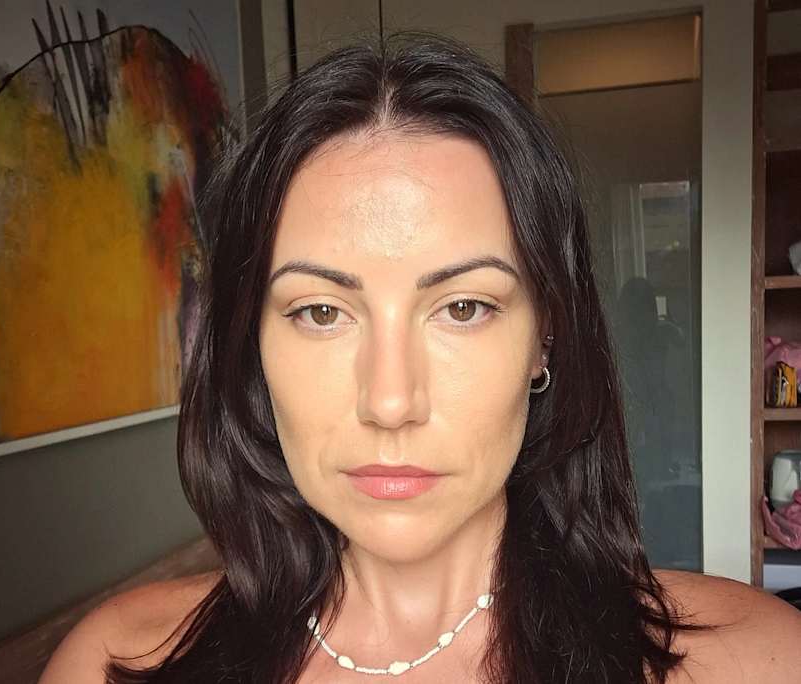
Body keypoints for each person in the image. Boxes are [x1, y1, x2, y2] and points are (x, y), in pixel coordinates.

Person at [39, 33, 801, 683]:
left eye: (463, 308)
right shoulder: (116, 662)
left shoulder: (757, 660)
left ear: (545, 338)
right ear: (251, 349)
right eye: (321, 312)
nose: (391, 401)